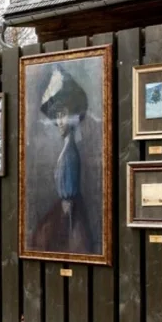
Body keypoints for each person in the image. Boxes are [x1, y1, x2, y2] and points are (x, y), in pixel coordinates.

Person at [28, 66, 97, 255]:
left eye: (63, 114)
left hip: (71, 214)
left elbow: (69, 197)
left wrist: (66, 217)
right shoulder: (67, 149)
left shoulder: (71, 152)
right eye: (56, 116)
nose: (59, 121)